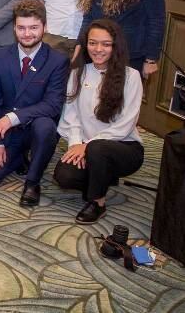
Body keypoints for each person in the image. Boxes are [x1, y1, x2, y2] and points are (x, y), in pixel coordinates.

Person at [0, 0, 70, 207]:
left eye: (33, 28)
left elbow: (53, 105)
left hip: (35, 127)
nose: (27, 34)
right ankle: (19, 156)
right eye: (21, 28)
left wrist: (12, 117)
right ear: (14, 28)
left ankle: (32, 182)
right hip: (6, 131)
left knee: (46, 126)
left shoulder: (57, 61)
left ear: (44, 27)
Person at [54, 19, 144, 224]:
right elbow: (70, 115)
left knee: (98, 148)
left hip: (124, 147)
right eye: (92, 43)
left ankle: (98, 203)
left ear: (115, 46)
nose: (98, 49)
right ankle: (103, 176)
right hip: (87, 146)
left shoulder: (131, 76)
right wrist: (76, 144)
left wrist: (87, 146)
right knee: (64, 176)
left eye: (106, 44)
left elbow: (125, 125)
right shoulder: (78, 72)